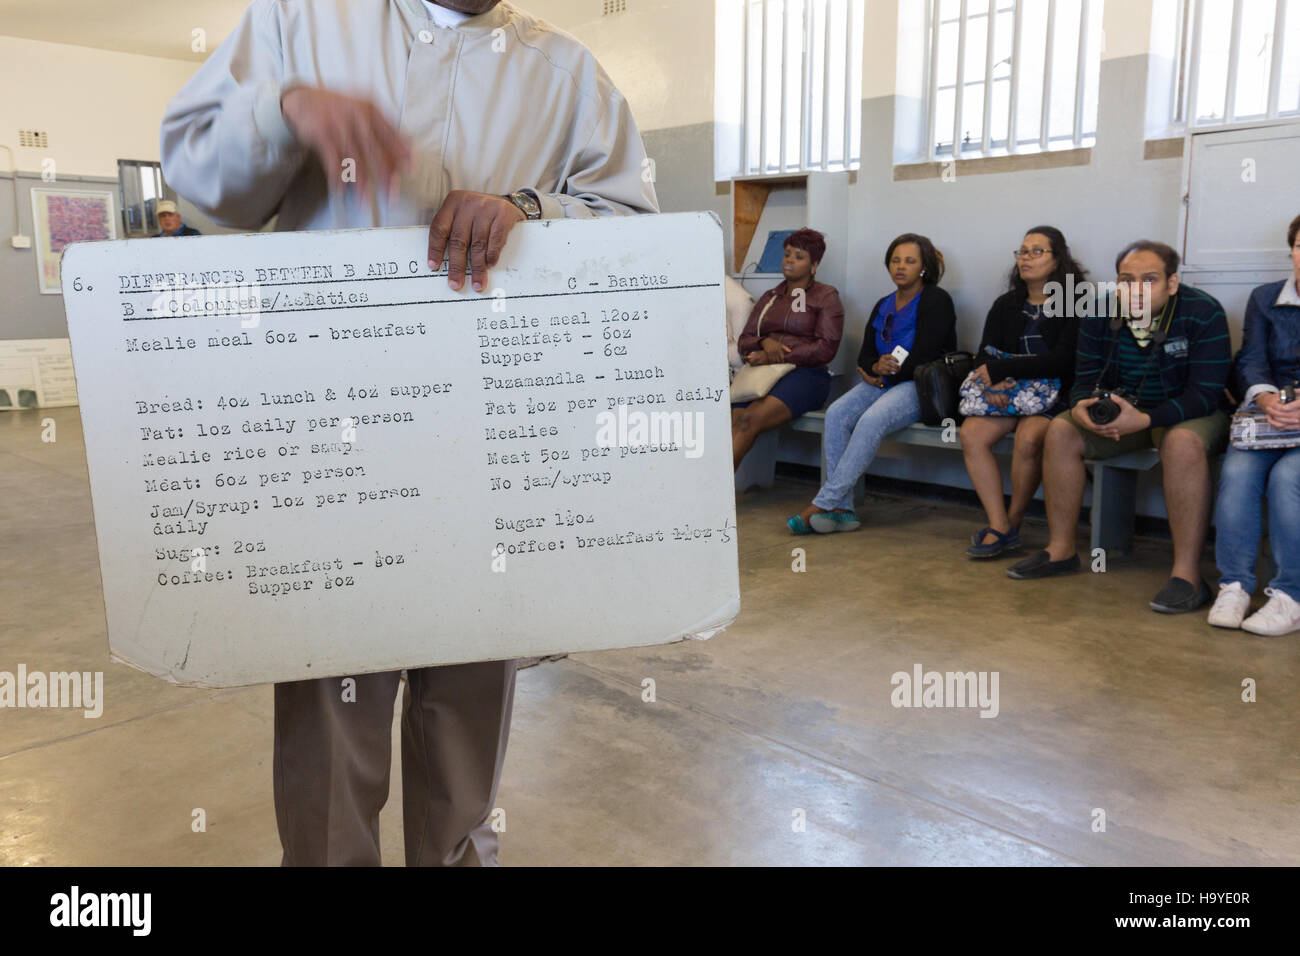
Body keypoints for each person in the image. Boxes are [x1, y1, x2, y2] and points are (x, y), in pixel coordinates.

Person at [160, 0, 658, 866]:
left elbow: (640, 231)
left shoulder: (567, 72)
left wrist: (530, 210)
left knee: (467, 712)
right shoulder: (303, 19)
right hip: (334, 447)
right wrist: (283, 111)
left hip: (489, 444)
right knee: (329, 712)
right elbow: (204, 187)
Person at [1008, 240, 1232, 614]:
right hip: (1124, 411)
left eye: (1149, 280)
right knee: (1061, 430)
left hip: (1186, 412)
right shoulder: (1099, 313)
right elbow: (1083, 379)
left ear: (1172, 283)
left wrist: (1145, 419)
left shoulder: (1203, 312)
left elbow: (1206, 394)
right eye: (1126, 280)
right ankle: (1061, 551)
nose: (1136, 290)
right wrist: (1081, 408)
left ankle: (1187, 576)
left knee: (1181, 444)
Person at [789, 233, 956, 534]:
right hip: (884, 382)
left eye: (909, 261)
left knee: (870, 420)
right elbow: (866, 352)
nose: (900, 267)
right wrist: (873, 366)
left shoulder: (936, 299)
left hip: (918, 387)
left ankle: (824, 502)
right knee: (838, 413)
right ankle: (845, 510)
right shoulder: (884, 303)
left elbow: (928, 354)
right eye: (895, 260)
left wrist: (883, 372)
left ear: (924, 267)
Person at [961, 227, 1083, 558]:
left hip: (1057, 394)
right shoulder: (1007, 303)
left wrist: (1004, 370)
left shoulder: (1075, 301)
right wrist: (993, 381)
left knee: (1029, 439)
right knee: (971, 433)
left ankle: (1012, 524)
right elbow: (984, 353)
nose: (1025, 258)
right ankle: (998, 523)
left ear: (1058, 259)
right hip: (1011, 393)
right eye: (1022, 252)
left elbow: (1063, 362)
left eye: (1036, 251)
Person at [1208, 213, 1300, 636]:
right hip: (1269, 414)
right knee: (1238, 472)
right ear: (1291, 252)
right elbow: (1251, 358)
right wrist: (1264, 397)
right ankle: (1235, 585)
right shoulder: (1265, 298)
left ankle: (1290, 596)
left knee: (1288, 479)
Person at [731, 228, 844, 468]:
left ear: (814, 265)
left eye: (799, 257)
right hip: (763, 375)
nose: (789, 260)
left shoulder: (826, 296)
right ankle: (710, 494)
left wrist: (776, 354)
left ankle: (713, 497)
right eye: (787, 254)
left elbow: (826, 348)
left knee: (747, 420)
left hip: (808, 376)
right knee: (734, 420)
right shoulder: (770, 297)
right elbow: (745, 340)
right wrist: (764, 343)